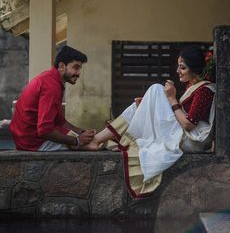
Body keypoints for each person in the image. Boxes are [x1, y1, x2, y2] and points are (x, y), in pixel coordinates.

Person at [83, 46, 216, 198]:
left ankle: (100, 140)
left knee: (156, 89)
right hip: (184, 133)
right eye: (178, 67)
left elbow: (188, 124)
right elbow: (180, 114)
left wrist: (172, 98)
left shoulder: (204, 90)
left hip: (192, 140)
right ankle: (97, 140)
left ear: (194, 69)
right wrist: (149, 105)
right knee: (138, 106)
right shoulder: (193, 86)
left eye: (183, 68)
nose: (178, 71)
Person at [10, 45, 96, 151]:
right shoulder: (51, 86)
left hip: (27, 136)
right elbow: (45, 130)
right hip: (33, 141)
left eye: (79, 69)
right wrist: (77, 141)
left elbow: (59, 120)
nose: (78, 73)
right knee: (92, 146)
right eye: (76, 67)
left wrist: (80, 132)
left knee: (90, 142)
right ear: (62, 66)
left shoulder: (51, 80)